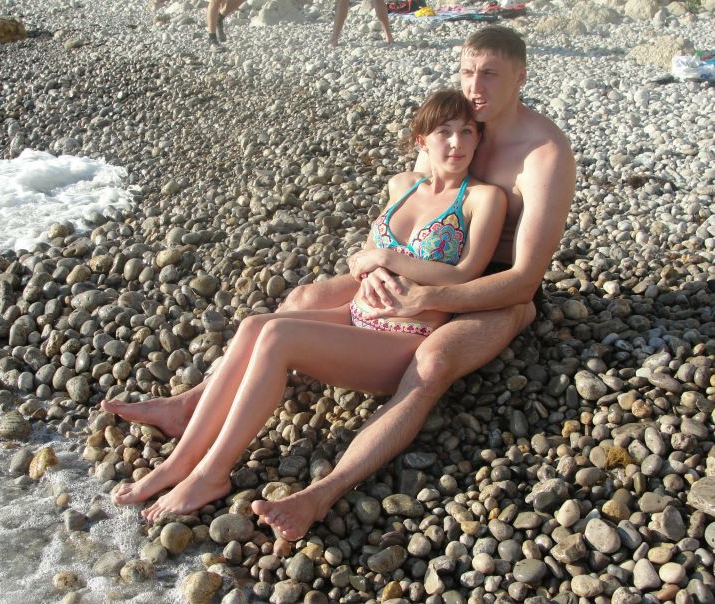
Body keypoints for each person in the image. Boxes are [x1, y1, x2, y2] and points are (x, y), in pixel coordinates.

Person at [102, 25, 576, 539]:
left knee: (433, 362)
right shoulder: (456, 121)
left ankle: (320, 492)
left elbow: (523, 280)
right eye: (467, 72)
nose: (474, 86)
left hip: (493, 288)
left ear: (521, 77)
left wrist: (429, 295)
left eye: (490, 75)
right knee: (299, 300)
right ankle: (194, 405)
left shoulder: (543, 154)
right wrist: (374, 270)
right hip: (416, 269)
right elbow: (412, 216)